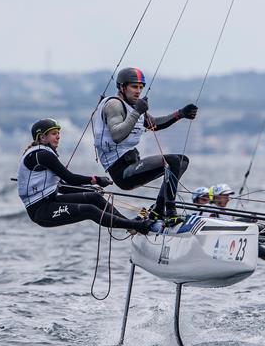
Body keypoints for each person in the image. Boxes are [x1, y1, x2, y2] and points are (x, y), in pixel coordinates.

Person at [92, 67, 198, 225]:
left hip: (132, 165)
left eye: (141, 87)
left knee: (182, 161)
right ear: (122, 87)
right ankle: (170, 212)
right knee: (173, 161)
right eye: (134, 87)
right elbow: (117, 136)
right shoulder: (114, 105)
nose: (138, 91)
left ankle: (157, 211)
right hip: (122, 172)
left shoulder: (133, 106)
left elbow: (153, 124)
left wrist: (180, 114)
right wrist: (137, 112)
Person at [18, 118, 153, 234]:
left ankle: (130, 225)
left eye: (58, 133)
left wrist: (87, 188)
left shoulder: (44, 153)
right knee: (89, 210)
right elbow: (70, 178)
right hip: (40, 211)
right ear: (42, 137)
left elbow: (61, 187)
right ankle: (137, 226)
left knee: (94, 196)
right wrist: (96, 180)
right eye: (54, 134)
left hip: (50, 201)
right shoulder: (41, 155)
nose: (58, 136)